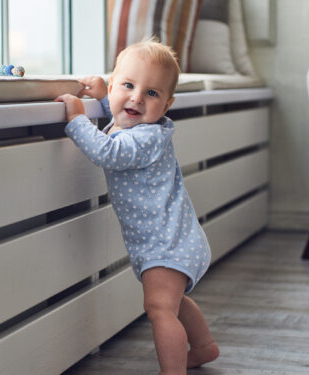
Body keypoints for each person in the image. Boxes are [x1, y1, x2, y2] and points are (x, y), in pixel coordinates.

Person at [55, 38, 219, 374]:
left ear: (167, 105)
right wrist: (103, 96)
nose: (137, 98)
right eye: (128, 85)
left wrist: (76, 119)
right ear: (115, 84)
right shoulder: (136, 123)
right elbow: (119, 117)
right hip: (174, 241)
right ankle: (203, 347)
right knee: (173, 303)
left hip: (167, 244)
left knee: (159, 309)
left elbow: (108, 151)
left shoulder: (147, 138)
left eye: (152, 93)